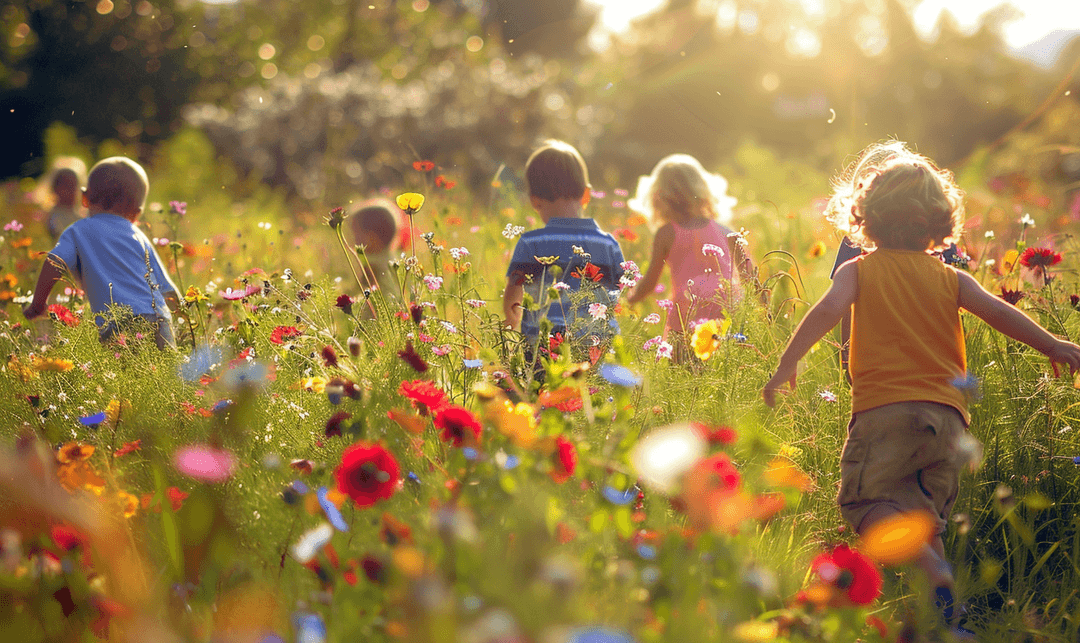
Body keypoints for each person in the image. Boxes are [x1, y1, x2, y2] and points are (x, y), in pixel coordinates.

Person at [762, 141, 1080, 634]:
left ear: (864, 217)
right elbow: (1001, 313)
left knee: (865, 503)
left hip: (883, 413)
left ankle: (936, 579)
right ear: (941, 222)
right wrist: (1054, 344)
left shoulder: (858, 270)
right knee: (923, 519)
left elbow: (827, 311)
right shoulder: (953, 279)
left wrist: (788, 362)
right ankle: (945, 616)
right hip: (948, 421)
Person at [23, 156, 179, 348]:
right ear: (137, 213)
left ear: (85, 198)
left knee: (124, 373)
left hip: (119, 321)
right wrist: (185, 320)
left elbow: (54, 262)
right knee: (162, 373)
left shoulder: (78, 230)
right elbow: (167, 289)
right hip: (160, 319)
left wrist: (38, 303)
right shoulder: (139, 236)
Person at [503, 140, 625, 356]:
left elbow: (513, 297)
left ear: (534, 201)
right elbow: (621, 293)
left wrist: (512, 327)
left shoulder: (531, 243)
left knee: (540, 390)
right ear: (586, 195)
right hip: (596, 350)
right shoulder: (608, 243)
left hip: (542, 351)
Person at [626, 154, 755, 344]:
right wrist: (760, 312)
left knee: (682, 366)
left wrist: (627, 300)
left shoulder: (667, 233)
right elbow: (750, 277)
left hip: (688, 310)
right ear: (703, 190)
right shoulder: (725, 231)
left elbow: (650, 283)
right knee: (721, 365)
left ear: (660, 196)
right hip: (727, 307)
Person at [348, 198, 402, 311]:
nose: (353, 240)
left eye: (357, 234)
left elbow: (361, 290)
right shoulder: (392, 259)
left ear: (373, 237)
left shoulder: (372, 266)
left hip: (378, 315)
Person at [43, 158, 87, 241]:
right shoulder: (53, 217)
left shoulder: (81, 215)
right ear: (55, 189)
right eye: (66, 186)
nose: (71, 191)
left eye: (73, 186)